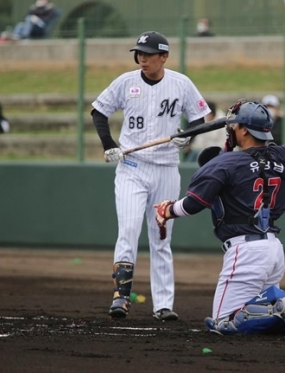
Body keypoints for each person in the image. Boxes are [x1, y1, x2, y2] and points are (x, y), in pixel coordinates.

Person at [152, 100, 285, 338]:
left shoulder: (224, 163)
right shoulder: (282, 156)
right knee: (259, 316)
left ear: (243, 130)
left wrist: (168, 210)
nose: (230, 129)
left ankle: (284, 304)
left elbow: (193, 204)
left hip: (245, 251)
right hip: (273, 249)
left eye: (233, 125)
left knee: (222, 322)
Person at [90, 31, 211, 321]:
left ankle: (163, 305)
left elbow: (198, 118)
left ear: (164, 57)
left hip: (167, 168)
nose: (142, 58)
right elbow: (98, 111)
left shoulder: (181, 83)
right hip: (132, 166)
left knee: (161, 237)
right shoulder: (126, 82)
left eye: (148, 53)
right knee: (129, 230)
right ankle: (121, 296)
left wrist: (188, 138)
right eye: (139, 53)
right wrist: (109, 145)